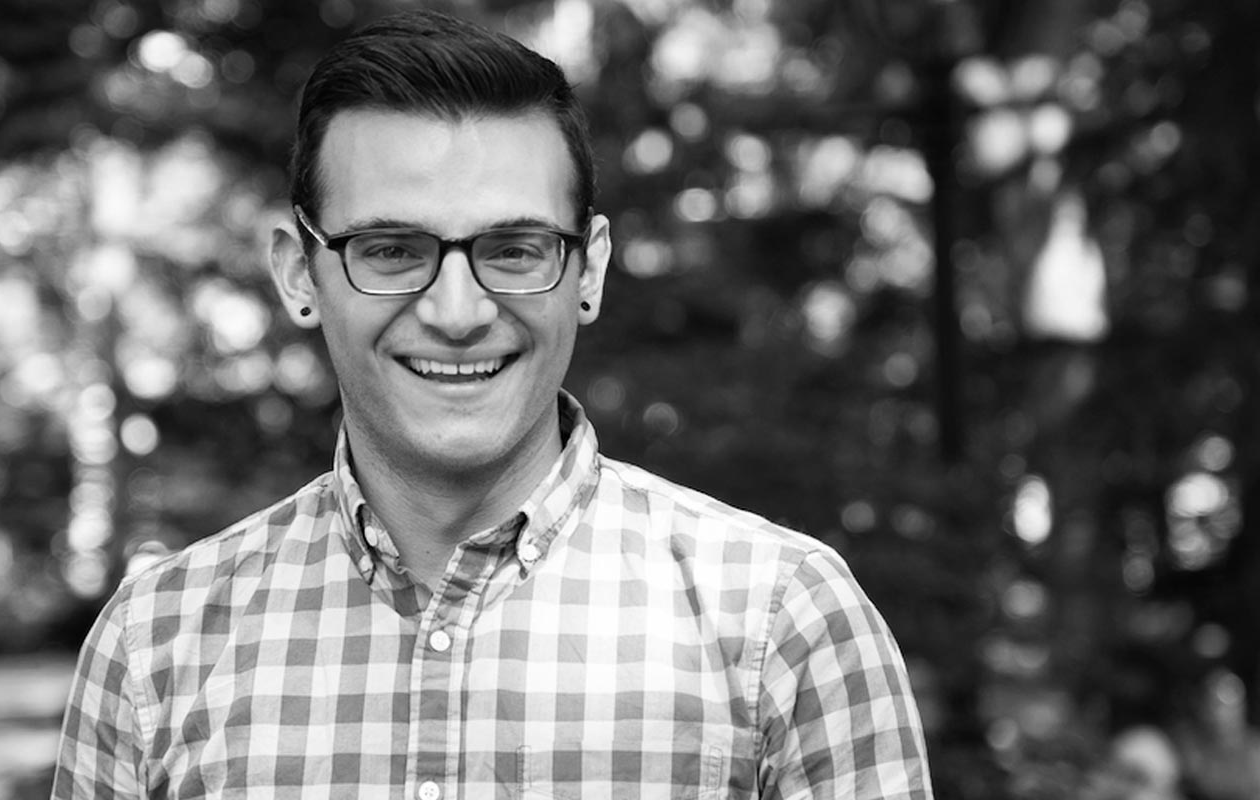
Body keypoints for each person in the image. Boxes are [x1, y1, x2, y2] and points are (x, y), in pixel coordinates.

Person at [53, 9, 931, 799]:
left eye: (514, 249)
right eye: (392, 249)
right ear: (299, 274)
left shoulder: (784, 621)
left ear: (586, 271)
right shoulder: (154, 647)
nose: (459, 312)